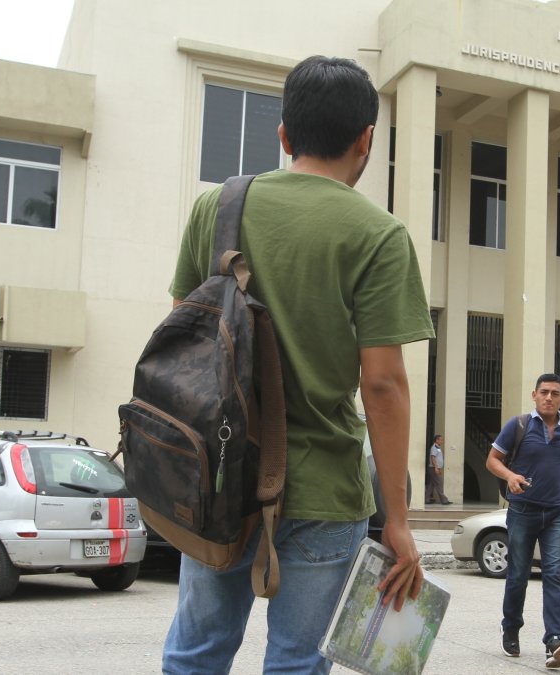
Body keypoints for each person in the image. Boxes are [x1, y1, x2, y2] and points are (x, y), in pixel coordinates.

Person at [163, 55, 435, 674]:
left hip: (219, 478)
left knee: (198, 651)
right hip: (325, 488)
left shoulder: (218, 206)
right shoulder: (378, 234)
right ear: (366, 140)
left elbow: (184, 338)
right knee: (297, 661)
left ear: (283, 134)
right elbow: (384, 385)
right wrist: (396, 519)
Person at [485, 373, 560, 670]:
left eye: (555, 393)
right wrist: (510, 476)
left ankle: (555, 641)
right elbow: (492, 460)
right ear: (534, 395)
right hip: (523, 510)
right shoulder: (519, 425)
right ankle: (511, 627)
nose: (549, 398)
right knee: (518, 574)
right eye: (544, 392)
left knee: (554, 575)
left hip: (557, 512)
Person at [425, 434, 452, 505]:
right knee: (439, 483)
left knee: (431, 484)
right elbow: (433, 458)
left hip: (435, 468)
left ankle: (426, 499)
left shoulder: (438, 448)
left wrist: (439, 468)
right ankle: (444, 500)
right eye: (441, 440)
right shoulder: (434, 447)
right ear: (437, 440)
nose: (442, 441)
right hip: (433, 468)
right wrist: (436, 468)